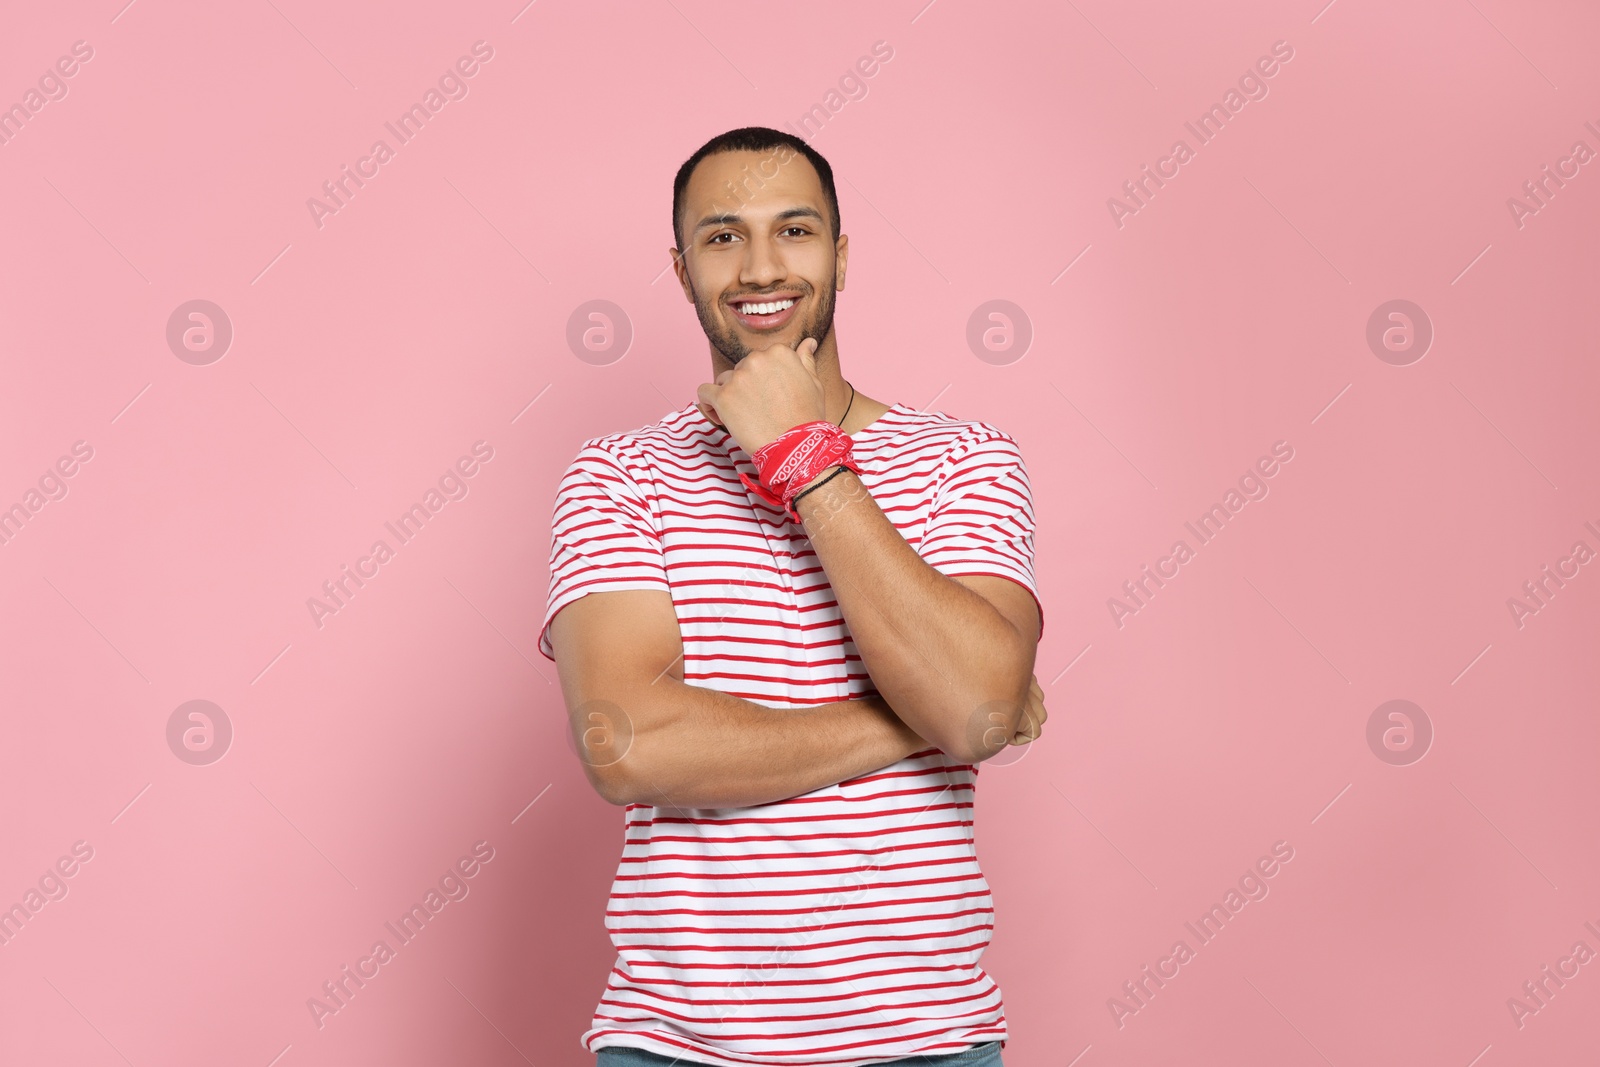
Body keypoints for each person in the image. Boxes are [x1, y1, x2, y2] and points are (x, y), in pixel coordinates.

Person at [539, 125, 1046, 1067]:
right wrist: (923, 717)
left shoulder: (964, 461)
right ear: (683, 268)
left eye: (796, 230)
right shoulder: (618, 475)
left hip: (927, 1042)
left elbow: (973, 704)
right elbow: (630, 744)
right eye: (723, 236)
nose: (761, 266)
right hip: (677, 1047)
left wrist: (803, 457)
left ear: (841, 255)